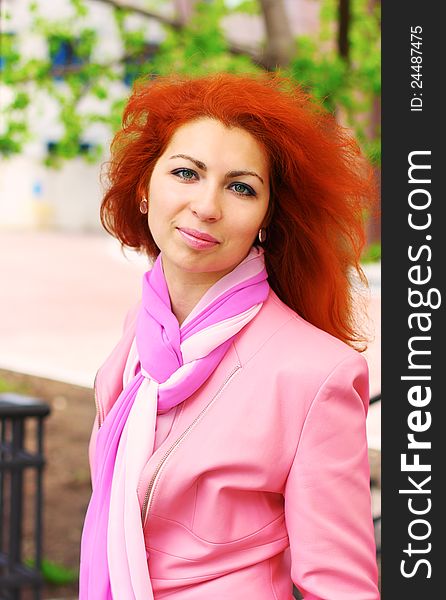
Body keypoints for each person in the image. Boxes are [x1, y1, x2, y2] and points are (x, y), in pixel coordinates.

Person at [79, 72, 380, 599]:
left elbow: (341, 589)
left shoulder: (315, 375)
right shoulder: (143, 334)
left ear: (267, 217)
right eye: (186, 173)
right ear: (145, 189)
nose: (207, 205)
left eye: (241, 187)